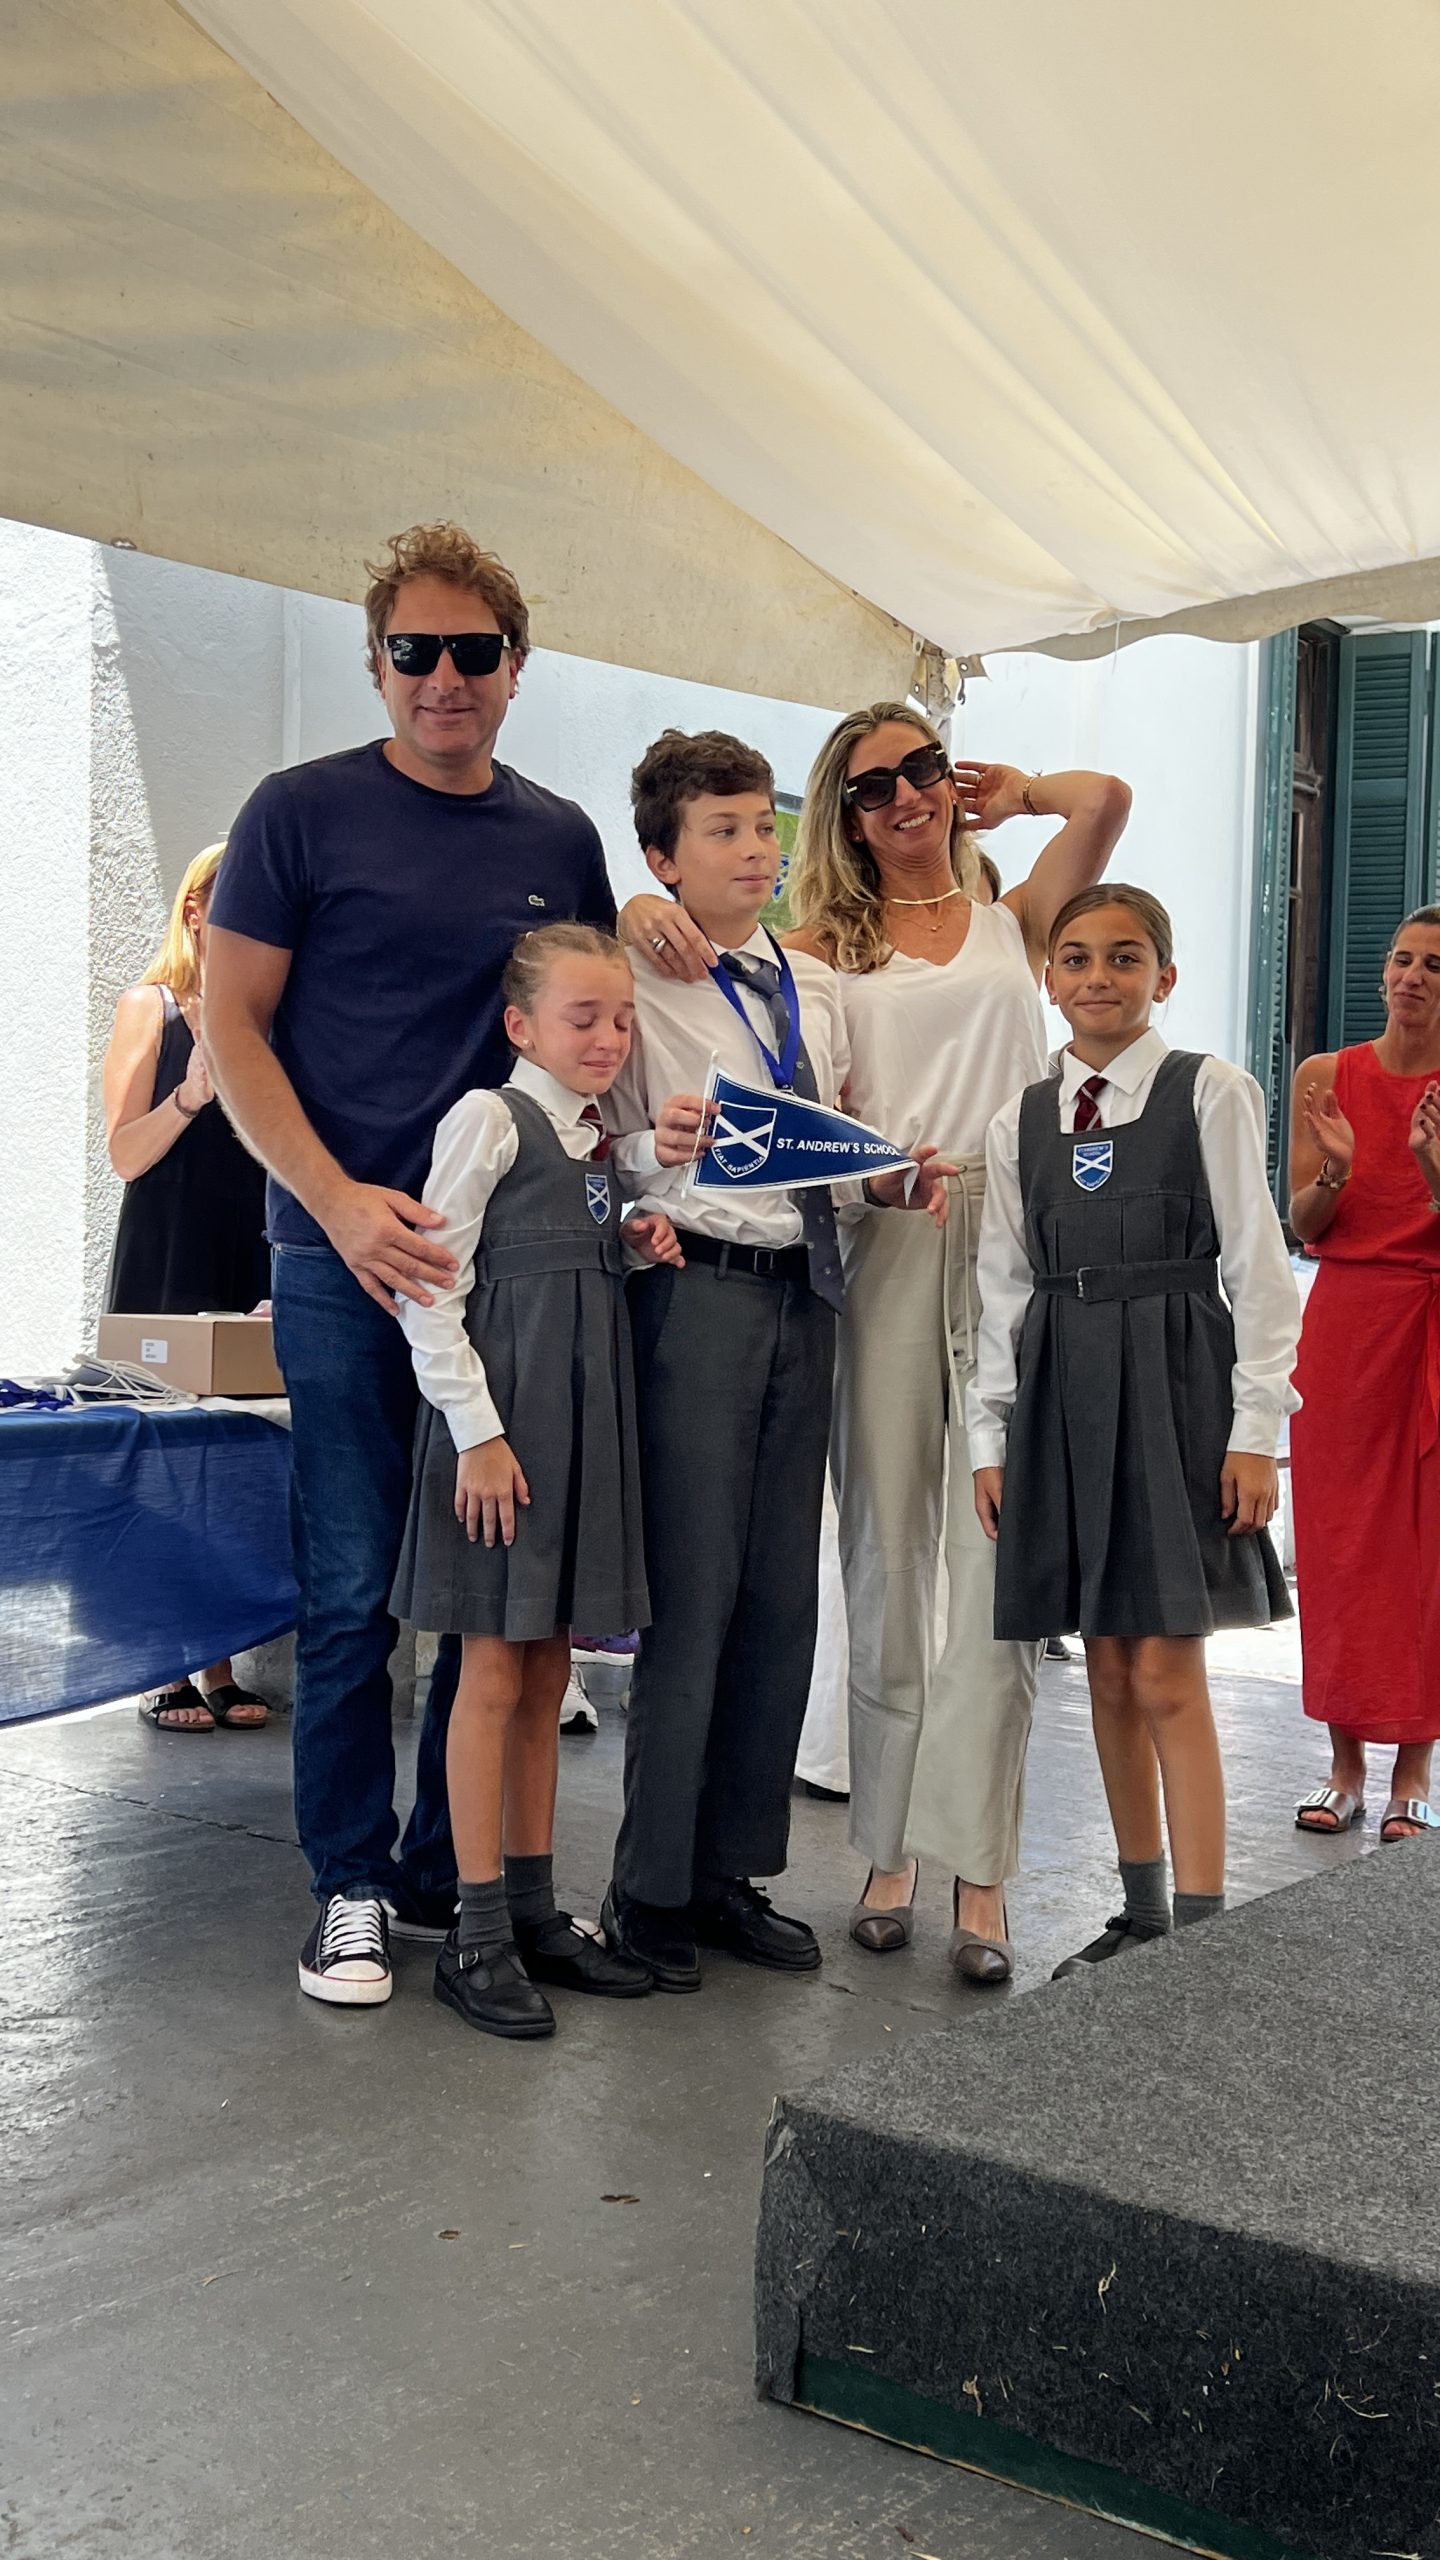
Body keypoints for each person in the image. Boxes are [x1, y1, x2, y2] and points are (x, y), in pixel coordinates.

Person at [204, 521, 620, 2007]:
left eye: (472, 651)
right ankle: (351, 1887)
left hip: (503, 1276)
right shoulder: (298, 813)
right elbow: (230, 1029)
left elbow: (583, 1024)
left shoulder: (559, 839)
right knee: (348, 1587)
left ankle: (459, 1876)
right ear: (376, 662)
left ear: (517, 666)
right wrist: (334, 1205)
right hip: (339, 1258)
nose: (444, 676)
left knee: (486, 1584)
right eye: (415, 650)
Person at [600, 730, 954, 1992]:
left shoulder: (813, 985)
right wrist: (648, 1152)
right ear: (663, 858)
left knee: (777, 1598)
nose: (757, 850)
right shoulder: (633, 979)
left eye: (764, 826)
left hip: (809, 1291)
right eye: (724, 831)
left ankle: (731, 1872)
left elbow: (823, 1147)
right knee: (692, 1596)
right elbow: (593, 1144)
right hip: (694, 1291)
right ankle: (648, 1887)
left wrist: (889, 1178)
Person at [785, 708, 1130, 1982]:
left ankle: (982, 1871)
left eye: (923, 769)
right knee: (884, 1549)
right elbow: (713, 1000)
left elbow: (1105, 800)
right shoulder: (819, 947)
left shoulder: (1012, 919)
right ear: (844, 813)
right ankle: (886, 1852)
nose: (906, 796)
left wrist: (1019, 789)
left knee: (998, 1560)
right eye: (874, 785)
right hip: (887, 1227)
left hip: (1013, 1235)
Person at [970, 886, 1301, 1977]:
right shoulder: (1019, 1121)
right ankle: (1144, 1914)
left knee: (1165, 1669)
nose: (1097, 976)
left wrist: (1257, 1430)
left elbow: (1259, 1272)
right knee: (1107, 1669)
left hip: (1175, 1390)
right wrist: (989, 1440)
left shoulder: (1211, 1090)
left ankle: (1201, 1934)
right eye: (1074, 957)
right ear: (1048, 978)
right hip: (1063, 1393)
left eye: (1124, 956)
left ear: (1164, 976)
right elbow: (1001, 1289)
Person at [391, 925, 674, 2034]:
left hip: (581, 1432)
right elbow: (431, 1284)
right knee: (494, 1669)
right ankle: (474, 1931)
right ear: (520, 1025)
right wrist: (477, 1433)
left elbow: (562, 1261)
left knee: (550, 1667)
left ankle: (534, 1908)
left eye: (622, 1020)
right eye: (583, 1017)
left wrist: (633, 1244)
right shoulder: (489, 1118)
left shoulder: (596, 1140)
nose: (608, 1038)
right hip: (503, 1440)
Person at [103, 842, 271, 1733]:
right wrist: (191, 1097)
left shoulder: (266, 1015)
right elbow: (125, 1154)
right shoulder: (152, 1006)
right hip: (169, 1254)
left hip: (252, 1252)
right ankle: (163, 1665)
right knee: (166, 1464)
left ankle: (220, 1663)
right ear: (196, 909)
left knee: (232, 1462)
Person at [1289, 905, 1440, 1843]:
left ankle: (1413, 1771)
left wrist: (1432, 1167)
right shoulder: (1326, 1076)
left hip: (1433, 1320)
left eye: (1434, 965)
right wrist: (1339, 1171)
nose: (1411, 976)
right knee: (1340, 1544)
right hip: (1347, 1326)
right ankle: (1344, 1766)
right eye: (1402, 958)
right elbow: (1303, 1222)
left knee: (1427, 1552)